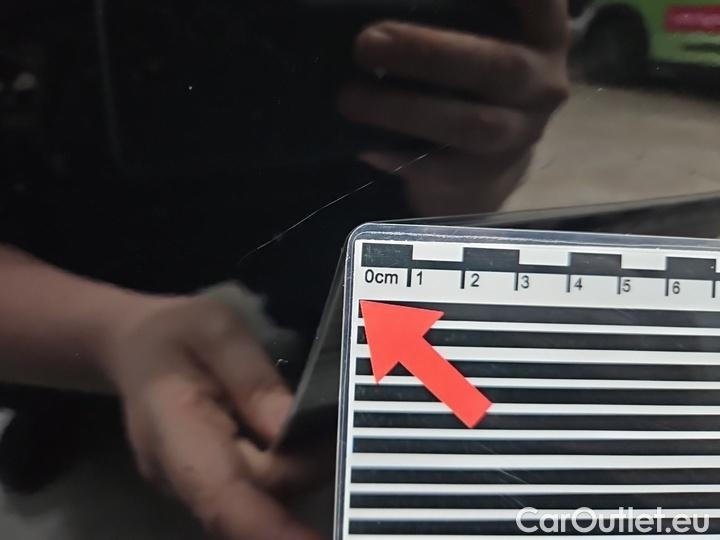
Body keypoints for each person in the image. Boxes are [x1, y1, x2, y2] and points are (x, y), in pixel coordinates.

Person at [0, 2, 569, 539]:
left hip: (326, 189)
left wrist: (459, 174)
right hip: (62, 204)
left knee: (358, 345)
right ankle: (73, 391)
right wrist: (103, 334)